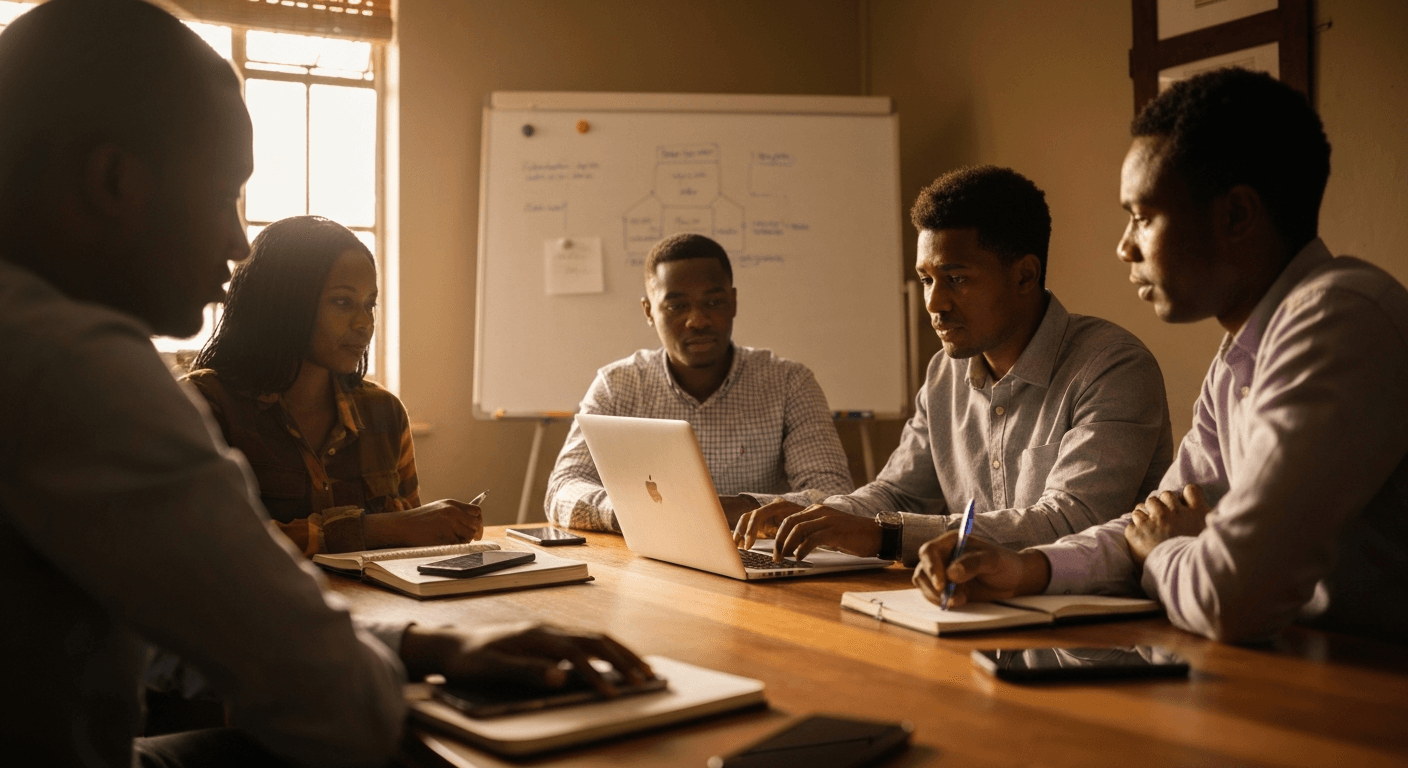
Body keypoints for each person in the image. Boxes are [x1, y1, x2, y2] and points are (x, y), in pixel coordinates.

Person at [0, 2, 650, 765]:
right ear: (112, 178)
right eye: (221, 196)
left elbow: (180, 630)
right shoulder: (74, 365)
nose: (238, 242)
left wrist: (420, 641)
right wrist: (418, 664)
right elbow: (336, 709)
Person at [916, 68, 1408, 646]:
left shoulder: (1338, 320)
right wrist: (1026, 568)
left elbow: (1232, 594)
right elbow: (1147, 521)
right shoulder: (1238, 359)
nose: (1125, 246)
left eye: (1143, 218)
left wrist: (1165, 551)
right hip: (1291, 671)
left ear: (1237, 216)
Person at [735, 166, 1174, 566]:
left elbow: (1069, 523)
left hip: (1081, 640)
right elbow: (899, 491)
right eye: (927, 279)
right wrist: (821, 516)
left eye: (957, 279)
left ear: (1025, 275)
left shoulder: (1113, 367)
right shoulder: (944, 373)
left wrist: (884, 536)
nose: (934, 303)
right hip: (966, 615)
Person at [186, 215, 482, 556]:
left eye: (370, 304)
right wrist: (376, 528)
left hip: (382, 609)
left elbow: (407, 546)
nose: (365, 323)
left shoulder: (384, 413)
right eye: (343, 303)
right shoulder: (204, 406)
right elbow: (209, 540)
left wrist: (442, 530)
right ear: (283, 302)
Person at [545, 232, 854, 532]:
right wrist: (632, 511)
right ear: (649, 311)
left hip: (757, 558)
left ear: (733, 302)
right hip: (651, 560)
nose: (698, 320)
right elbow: (563, 488)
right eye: (676, 306)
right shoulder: (618, 385)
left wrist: (727, 510)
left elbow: (834, 495)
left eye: (714, 302)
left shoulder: (789, 383)